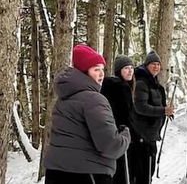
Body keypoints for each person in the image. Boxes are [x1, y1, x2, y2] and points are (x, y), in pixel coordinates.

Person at [45, 44, 131, 184]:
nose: (102, 74)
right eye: (96, 69)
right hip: (88, 174)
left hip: (56, 173)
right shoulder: (94, 99)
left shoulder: (62, 99)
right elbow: (110, 145)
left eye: (102, 69)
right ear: (84, 72)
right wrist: (125, 136)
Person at [132, 51, 174, 184]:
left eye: (158, 64)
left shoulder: (154, 83)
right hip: (142, 136)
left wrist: (167, 111)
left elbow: (155, 104)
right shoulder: (141, 83)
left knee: (148, 171)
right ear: (146, 65)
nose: (156, 67)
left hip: (150, 135)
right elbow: (140, 107)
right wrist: (163, 111)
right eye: (153, 64)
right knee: (143, 173)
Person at [100, 55, 136, 184]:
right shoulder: (122, 87)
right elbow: (126, 115)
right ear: (118, 71)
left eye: (131, 68)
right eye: (126, 68)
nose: (130, 71)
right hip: (121, 136)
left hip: (109, 135)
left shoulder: (107, 85)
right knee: (123, 174)